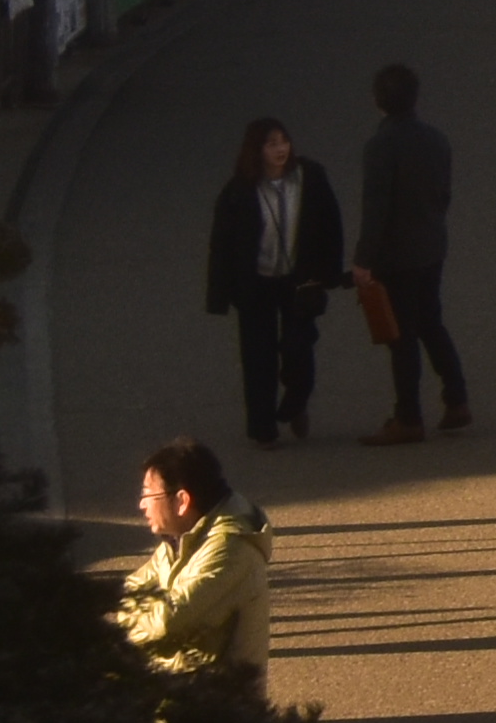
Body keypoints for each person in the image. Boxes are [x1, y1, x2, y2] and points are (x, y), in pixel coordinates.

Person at [203, 116, 346, 448]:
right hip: (255, 283)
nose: (280, 149)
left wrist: (329, 274)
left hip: (298, 279)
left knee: (298, 347)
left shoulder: (310, 177)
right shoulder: (239, 190)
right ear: (257, 150)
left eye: (284, 141)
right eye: (271, 144)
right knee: (258, 356)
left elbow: (330, 225)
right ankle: (263, 428)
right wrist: (219, 294)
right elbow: (222, 244)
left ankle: (295, 403)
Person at [356, 63, 471, 443]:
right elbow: (444, 194)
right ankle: (456, 398)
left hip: (396, 254)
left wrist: (364, 259)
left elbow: (376, 208)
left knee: (401, 336)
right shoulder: (436, 139)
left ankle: (408, 417)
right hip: (431, 244)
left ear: (378, 102)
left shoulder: (380, 147)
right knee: (430, 323)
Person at [113, 438, 269, 678]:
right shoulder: (182, 537)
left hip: (214, 703)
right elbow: (133, 589)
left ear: (182, 501)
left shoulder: (229, 550)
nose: (142, 505)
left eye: (149, 495)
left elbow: (167, 623)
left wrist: (127, 628)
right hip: (178, 687)